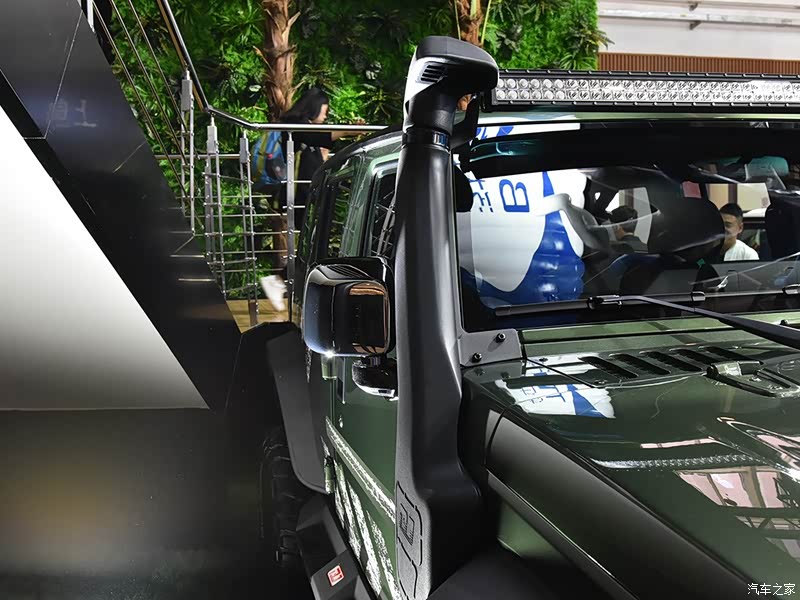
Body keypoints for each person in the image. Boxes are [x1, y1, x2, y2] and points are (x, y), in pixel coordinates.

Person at [260, 88, 361, 311]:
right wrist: (348, 131)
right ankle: (280, 282)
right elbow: (319, 137)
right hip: (296, 195)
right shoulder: (295, 126)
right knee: (311, 242)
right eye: (324, 111)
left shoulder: (300, 127)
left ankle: (286, 284)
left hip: (302, 195)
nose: (325, 116)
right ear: (314, 108)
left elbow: (319, 145)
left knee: (311, 243)